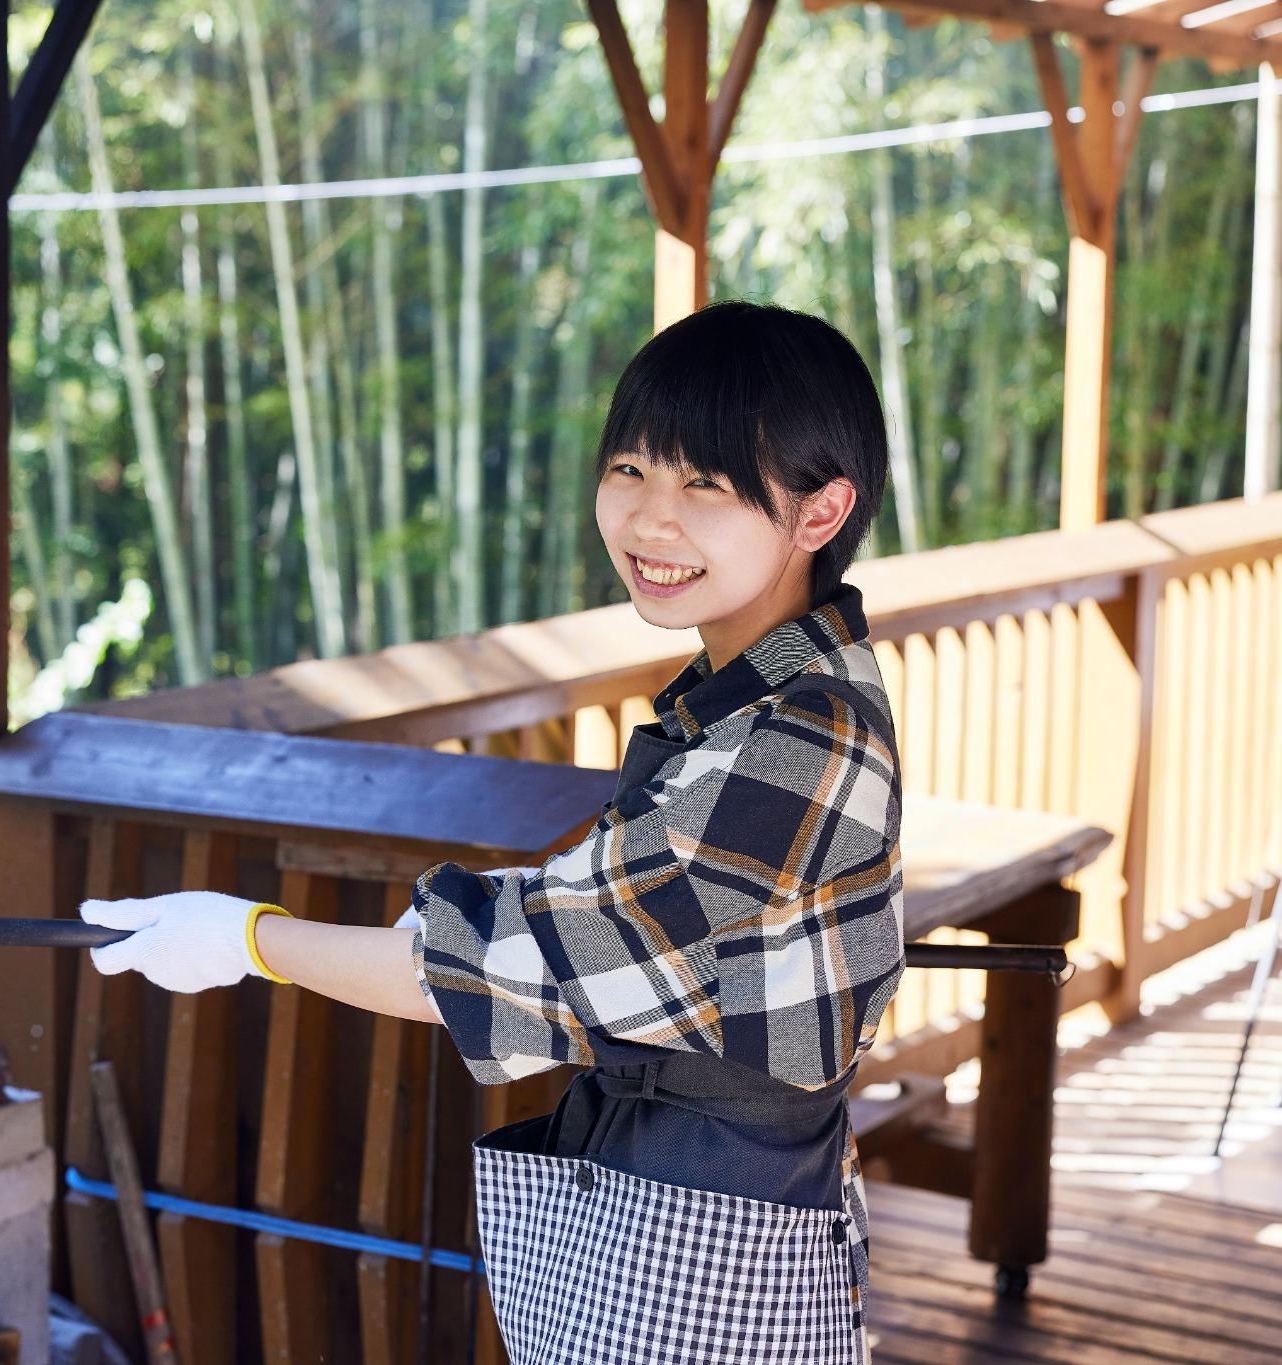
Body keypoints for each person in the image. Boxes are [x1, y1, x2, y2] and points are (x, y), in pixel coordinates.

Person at [78, 299, 905, 1365]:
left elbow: (520, 965)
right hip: (693, 1186)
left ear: (817, 511)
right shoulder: (760, 685)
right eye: (630, 470)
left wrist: (246, 941)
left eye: (704, 484)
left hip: (718, 1204)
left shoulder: (797, 737)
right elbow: (627, 917)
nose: (651, 521)